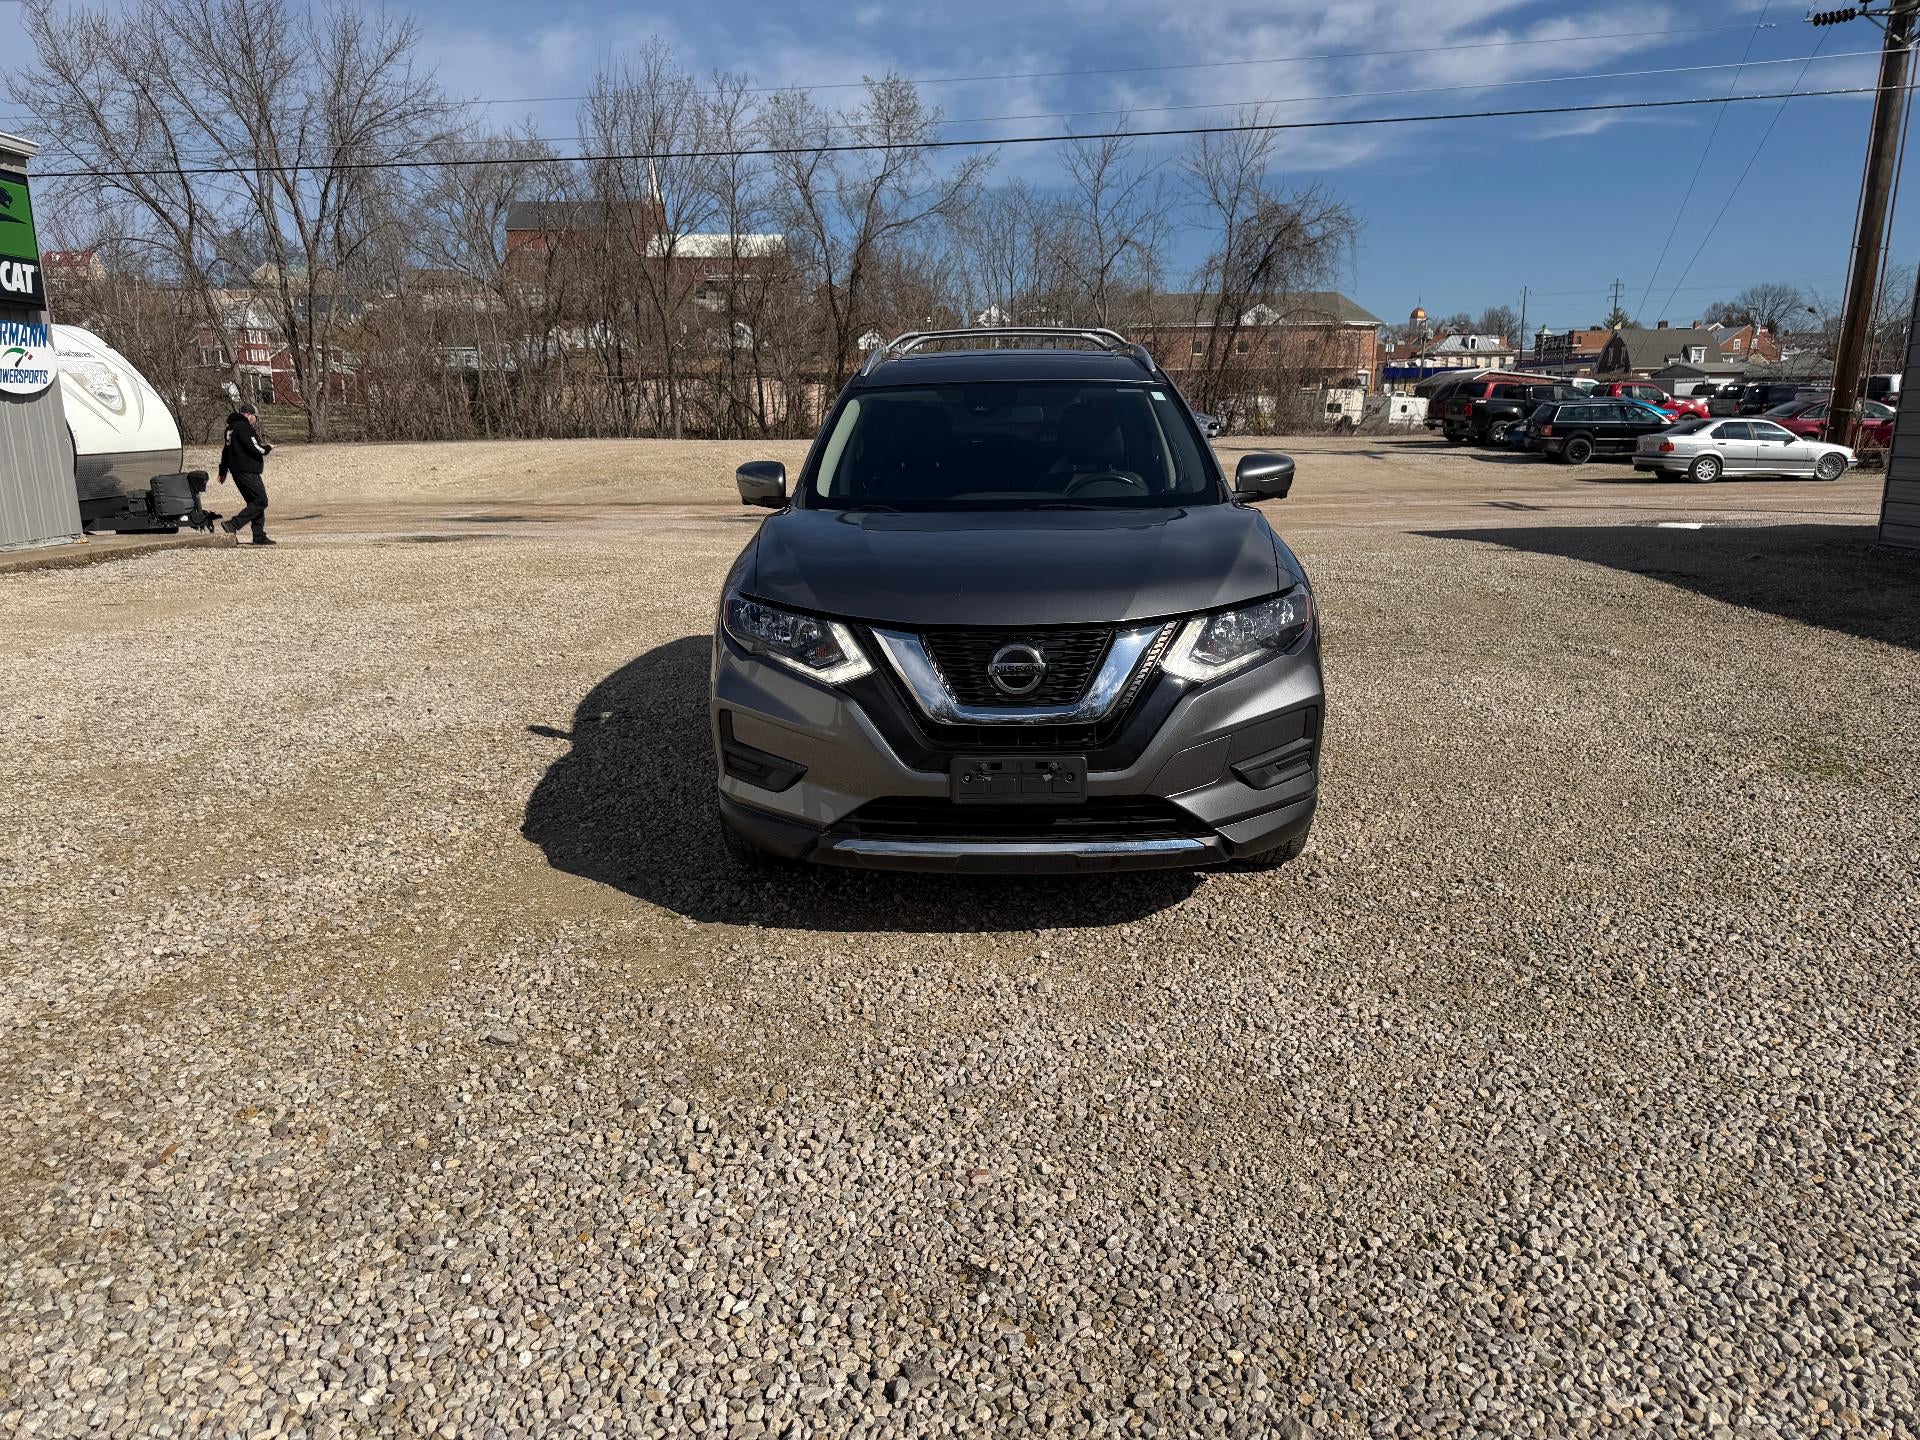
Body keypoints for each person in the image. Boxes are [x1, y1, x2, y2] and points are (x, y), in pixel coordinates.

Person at [218, 402, 276, 545]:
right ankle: (233, 524)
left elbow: (226, 451)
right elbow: (254, 447)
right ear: (249, 415)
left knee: (254, 501)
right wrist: (267, 448)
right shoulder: (243, 427)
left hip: (237, 471)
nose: (256, 420)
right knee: (261, 500)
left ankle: (259, 535)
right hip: (247, 470)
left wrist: (223, 470)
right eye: (255, 417)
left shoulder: (230, 428)